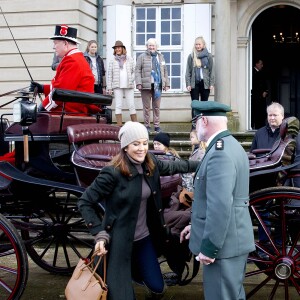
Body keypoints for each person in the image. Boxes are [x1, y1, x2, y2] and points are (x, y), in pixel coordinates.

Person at [77, 121, 198, 300]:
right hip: (119, 243)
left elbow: (176, 166)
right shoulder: (112, 173)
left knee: (158, 288)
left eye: (144, 143)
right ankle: (122, 277)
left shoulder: (151, 164)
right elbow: (85, 202)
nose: (141, 148)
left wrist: (203, 164)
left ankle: (134, 271)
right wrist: (98, 232)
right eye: (135, 144)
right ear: (125, 147)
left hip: (144, 239)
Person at [180, 101, 255, 300]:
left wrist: (209, 247)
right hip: (231, 240)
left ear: (203, 121)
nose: (195, 127)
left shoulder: (218, 154)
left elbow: (220, 206)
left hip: (222, 247)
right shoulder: (230, 145)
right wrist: (195, 226)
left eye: (195, 122)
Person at [30, 25, 100, 114]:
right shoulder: (77, 58)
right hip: (72, 110)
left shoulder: (72, 61)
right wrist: (43, 88)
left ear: (65, 43)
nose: (54, 47)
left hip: (69, 113)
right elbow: (65, 86)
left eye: (55, 43)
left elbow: (60, 93)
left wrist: (42, 108)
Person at [135, 38, 170, 133]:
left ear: (156, 47)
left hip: (158, 85)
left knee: (157, 107)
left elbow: (165, 71)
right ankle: (146, 125)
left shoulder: (161, 57)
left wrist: (167, 83)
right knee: (146, 107)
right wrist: (138, 83)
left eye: (153, 45)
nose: (151, 47)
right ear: (147, 46)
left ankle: (157, 125)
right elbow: (137, 70)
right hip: (146, 85)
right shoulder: (141, 57)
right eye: (149, 45)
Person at [107, 40, 137, 126]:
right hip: (117, 86)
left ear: (123, 48)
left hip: (129, 85)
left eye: (119, 48)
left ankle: (135, 126)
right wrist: (109, 87)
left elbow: (135, 71)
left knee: (131, 105)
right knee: (118, 105)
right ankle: (119, 126)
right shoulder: (112, 61)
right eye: (116, 48)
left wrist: (131, 79)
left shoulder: (129, 59)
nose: (117, 49)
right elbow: (110, 75)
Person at [185, 36, 215, 119]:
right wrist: (188, 84)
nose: (197, 46)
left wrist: (211, 83)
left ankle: (203, 124)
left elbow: (211, 70)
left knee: (204, 105)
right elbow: (188, 71)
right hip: (194, 83)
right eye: (196, 44)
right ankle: (194, 125)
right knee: (195, 105)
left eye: (199, 44)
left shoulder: (208, 56)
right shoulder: (191, 56)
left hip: (205, 83)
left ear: (203, 45)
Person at [251, 59, 269, 129]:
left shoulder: (261, 72)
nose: (262, 66)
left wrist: (266, 92)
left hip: (261, 98)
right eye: (261, 64)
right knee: (257, 114)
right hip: (255, 98)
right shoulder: (251, 72)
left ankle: (261, 127)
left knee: (261, 114)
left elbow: (265, 85)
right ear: (256, 64)